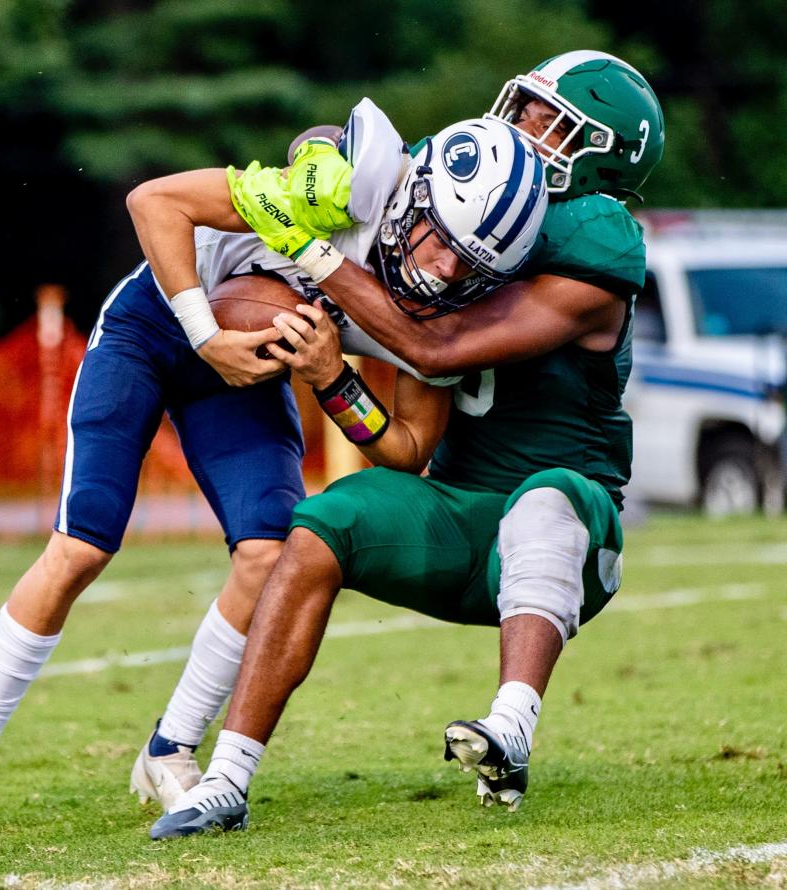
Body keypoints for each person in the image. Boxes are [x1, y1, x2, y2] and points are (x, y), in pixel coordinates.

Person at [0, 104, 547, 831]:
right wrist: (206, 334)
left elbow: (408, 449)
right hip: (159, 324)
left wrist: (335, 380)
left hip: (244, 372)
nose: (447, 270)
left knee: (267, 555)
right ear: (415, 197)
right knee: (81, 544)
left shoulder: (443, 313)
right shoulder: (339, 189)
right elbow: (153, 201)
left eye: (474, 264)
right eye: (444, 243)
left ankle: (170, 747)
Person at [149, 49, 666, 838]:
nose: (522, 126)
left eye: (552, 123)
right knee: (324, 522)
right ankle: (225, 781)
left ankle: (511, 730)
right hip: (458, 514)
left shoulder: (595, 239)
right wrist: (330, 371)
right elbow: (406, 444)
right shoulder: (479, 197)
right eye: (525, 106)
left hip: (571, 533)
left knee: (545, 499)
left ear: (602, 157)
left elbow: (437, 349)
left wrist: (310, 252)